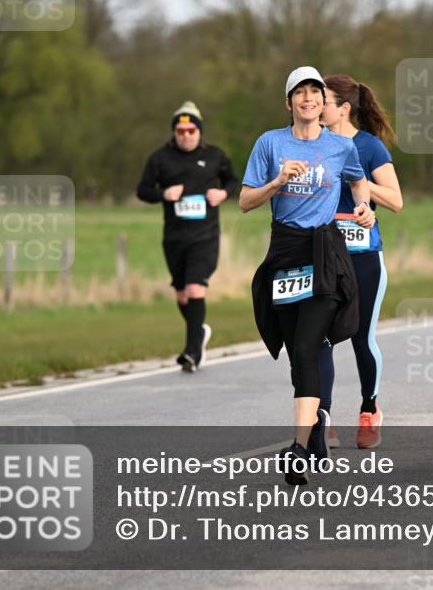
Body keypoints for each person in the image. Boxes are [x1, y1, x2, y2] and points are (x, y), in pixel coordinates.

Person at [243, 66, 375, 485]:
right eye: (299, 93)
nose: (308, 99)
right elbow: (246, 201)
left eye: (314, 93)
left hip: (324, 252)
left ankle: (298, 448)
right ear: (289, 103)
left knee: (305, 347)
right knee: (296, 350)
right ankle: (316, 423)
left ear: (323, 103)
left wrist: (365, 207)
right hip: (284, 252)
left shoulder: (340, 147)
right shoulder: (270, 143)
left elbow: (358, 182)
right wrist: (278, 181)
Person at [317, 74, 403, 450]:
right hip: (323, 256)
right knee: (320, 338)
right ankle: (322, 418)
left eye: (323, 100)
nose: (315, 105)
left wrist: (360, 184)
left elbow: (397, 201)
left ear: (344, 109)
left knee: (360, 338)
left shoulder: (369, 147)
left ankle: (369, 409)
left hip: (365, 256)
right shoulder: (312, 144)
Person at [136, 101, 238, 372]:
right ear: (174, 132)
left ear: (199, 131)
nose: (186, 135)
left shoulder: (215, 155)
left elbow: (233, 181)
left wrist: (223, 193)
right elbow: (142, 190)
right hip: (174, 237)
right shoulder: (160, 159)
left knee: (195, 289)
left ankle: (192, 351)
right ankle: (199, 333)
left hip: (205, 236)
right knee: (183, 296)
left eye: (191, 130)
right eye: (181, 131)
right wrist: (163, 194)